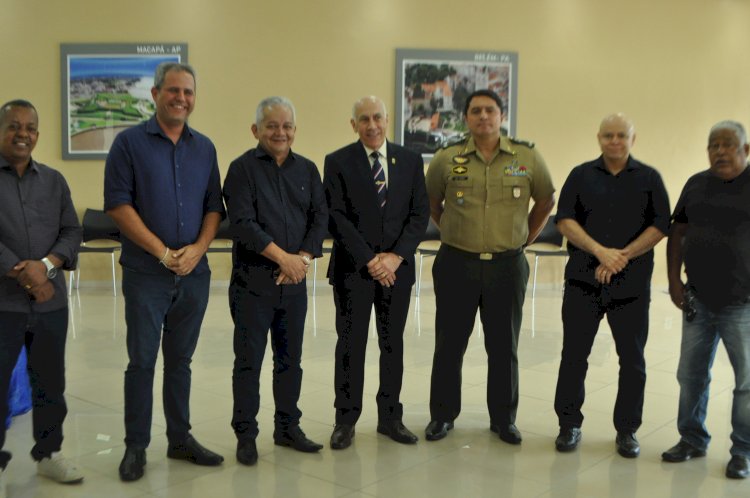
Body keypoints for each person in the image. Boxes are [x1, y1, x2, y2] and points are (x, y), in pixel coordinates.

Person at [104, 62, 225, 482]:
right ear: (155, 95)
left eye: (188, 92)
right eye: (173, 90)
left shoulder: (205, 148)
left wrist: (196, 250)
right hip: (146, 274)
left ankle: (180, 440)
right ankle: (135, 447)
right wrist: (162, 253)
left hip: (194, 273)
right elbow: (118, 205)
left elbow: (215, 207)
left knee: (181, 362)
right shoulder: (128, 144)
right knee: (141, 362)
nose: (181, 98)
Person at [424, 89, 555, 444]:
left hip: (506, 265)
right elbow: (432, 203)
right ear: (466, 117)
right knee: (449, 345)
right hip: (456, 263)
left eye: (490, 110)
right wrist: (453, 228)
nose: (484, 116)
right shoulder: (446, 158)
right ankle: (442, 416)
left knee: (503, 346)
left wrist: (525, 236)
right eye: (476, 111)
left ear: (501, 115)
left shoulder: (526, 156)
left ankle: (504, 419)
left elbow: (546, 199)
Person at [552, 114, 670, 457]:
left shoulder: (649, 178)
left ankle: (627, 430)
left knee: (632, 360)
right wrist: (601, 252)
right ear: (599, 138)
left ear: (633, 138)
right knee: (574, 356)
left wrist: (623, 256)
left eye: (621, 135)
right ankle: (569, 425)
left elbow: (662, 224)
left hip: (631, 286)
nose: (614, 141)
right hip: (582, 282)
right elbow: (564, 220)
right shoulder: (580, 174)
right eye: (608, 135)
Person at [223, 97, 328, 465]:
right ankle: (246, 434)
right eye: (272, 126)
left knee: (290, 361)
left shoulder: (308, 170)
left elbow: (320, 219)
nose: (280, 132)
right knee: (248, 361)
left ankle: (287, 428)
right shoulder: (241, 170)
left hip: (294, 283)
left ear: (295, 131)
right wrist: (283, 257)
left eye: (287, 126)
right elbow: (241, 222)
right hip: (253, 284)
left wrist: (301, 258)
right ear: (256, 130)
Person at [324, 96, 429, 449]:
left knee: (392, 345)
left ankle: (390, 418)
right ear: (353, 124)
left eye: (377, 118)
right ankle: (345, 420)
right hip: (354, 270)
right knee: (350, 345)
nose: (372, 125)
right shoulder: (338, 161)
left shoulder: (411, 161)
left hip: (397, 271)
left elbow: (419, 215)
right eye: (363, 119)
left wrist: (395, 258)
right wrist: (372, 260)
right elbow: (336, 216)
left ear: (388, 120)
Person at [0, 99, 84, 495]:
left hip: (51, 304)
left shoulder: (53, 180)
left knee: (51, 381)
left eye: (30, 127)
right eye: (14, 125)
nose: (23, 133)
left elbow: (72, 231)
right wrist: (27, 273)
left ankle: (49, 454)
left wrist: (47, 265)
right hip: (4, 303)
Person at [661, 120, 750, 479]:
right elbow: (676, 232)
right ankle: (692, 438)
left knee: (746, 382)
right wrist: (672, 282)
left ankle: (743, 450)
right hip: (698, 298)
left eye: (728, 144)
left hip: (742, 303)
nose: (720, 151)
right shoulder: (696, 184)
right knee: (691, 374)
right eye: (713, 145)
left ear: (745, 149)